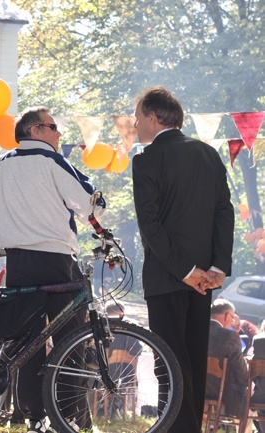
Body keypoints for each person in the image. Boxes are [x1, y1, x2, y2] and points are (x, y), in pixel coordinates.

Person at [0, 106, 104, 433]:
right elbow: (88, 200)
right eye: (53, 127)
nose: (59, 134)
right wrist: (100, 217)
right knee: (71, 341)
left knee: (27, 344)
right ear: (34, 131)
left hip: (19, 262)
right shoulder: (52, 160)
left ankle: (33, 416)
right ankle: (70, 418)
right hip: (57, 260)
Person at [131, 86, 234, 432]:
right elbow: (224, 211)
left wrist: (185, 271)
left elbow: (150, 225)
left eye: (138, 116)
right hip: (205, 279)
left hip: (166, 277)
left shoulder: (145, 160)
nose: (134, 124)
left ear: (154, 117)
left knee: (170, 365)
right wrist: (217, 267)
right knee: (192, 359)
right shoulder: (208, 154)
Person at [206, 299, 249, 417]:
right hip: (221, 394)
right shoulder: (229, 336)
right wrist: (248, 380)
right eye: (232, 317)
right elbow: (240, 371)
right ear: (226, 316)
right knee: (247, 391)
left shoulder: (195, 330)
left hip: (193, 389)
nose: (232, 321)